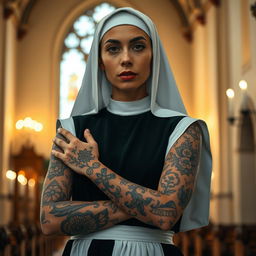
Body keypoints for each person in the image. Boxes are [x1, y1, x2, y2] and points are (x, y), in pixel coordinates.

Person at [40, 7, 212, 256]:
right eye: (113, 49)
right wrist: (149, 205)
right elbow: (49, 220)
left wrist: (92, 167)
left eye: (138, 47)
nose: (126, 59)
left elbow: (166, 217)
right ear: (100, 61)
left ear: (154, 55)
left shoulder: (183, 129)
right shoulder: (71, 130)